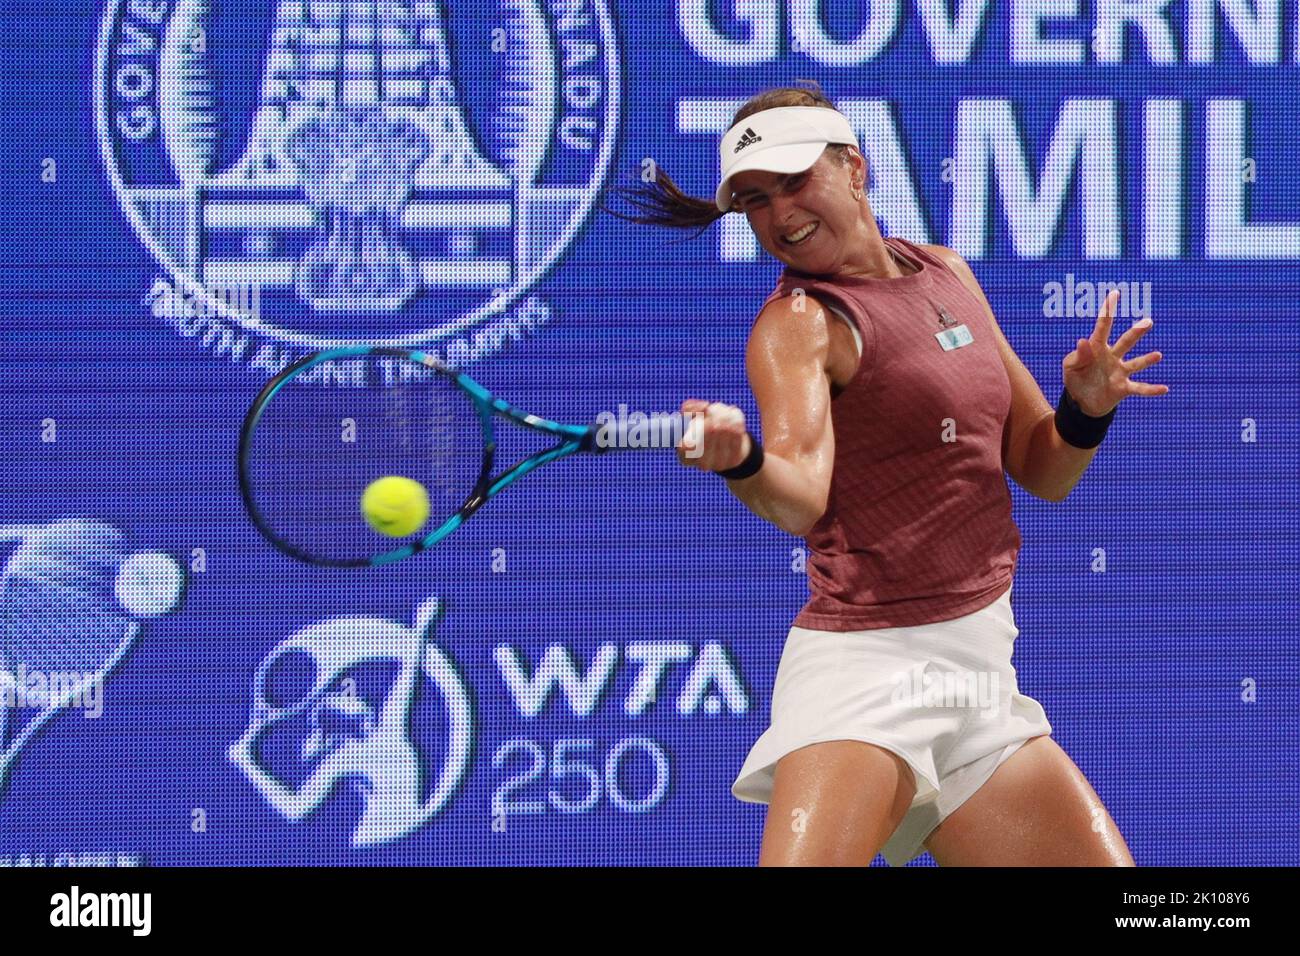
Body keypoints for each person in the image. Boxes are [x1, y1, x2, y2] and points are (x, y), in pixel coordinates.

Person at [602, 81, 1168, 866]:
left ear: (855, 168)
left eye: (795, 181)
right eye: (755, 200)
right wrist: (744, 462)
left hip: (977, 675)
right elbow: (800, 497)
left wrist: (1086, 407)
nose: (779, 215)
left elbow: (1044, 468)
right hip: (868, 676)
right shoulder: (797, 327)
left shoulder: (944, 273)